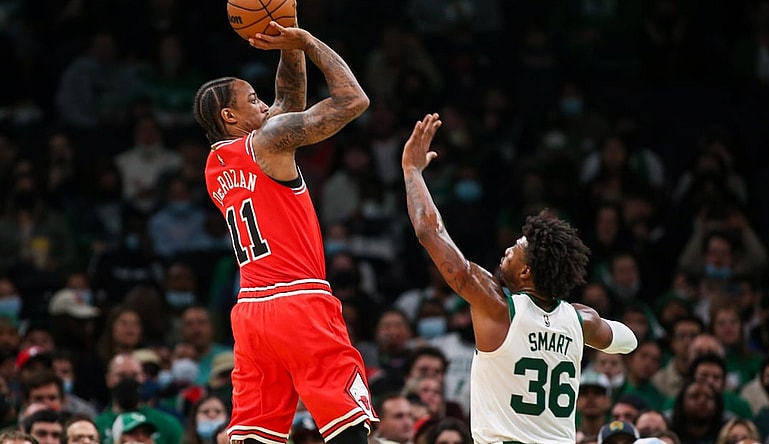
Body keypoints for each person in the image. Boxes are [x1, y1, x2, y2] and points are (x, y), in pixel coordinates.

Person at [400, 112, 638, 444]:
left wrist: (412, 172)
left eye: (517, 248)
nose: (509, 248)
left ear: (527, 272)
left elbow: (430, 232)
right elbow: (628, 340)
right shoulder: (580, 319)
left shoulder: (498, 307)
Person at [194, 13, 375, 444]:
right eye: (252, 100)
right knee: (349, 424)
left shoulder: (215, 164)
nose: (263, 105)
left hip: (252, 312)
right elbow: (354, 101)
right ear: (229, 116)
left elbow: (286, 102)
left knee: (257, 434)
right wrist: (310, 42)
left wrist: (286, 44)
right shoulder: (269, 141)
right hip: (300, 301)